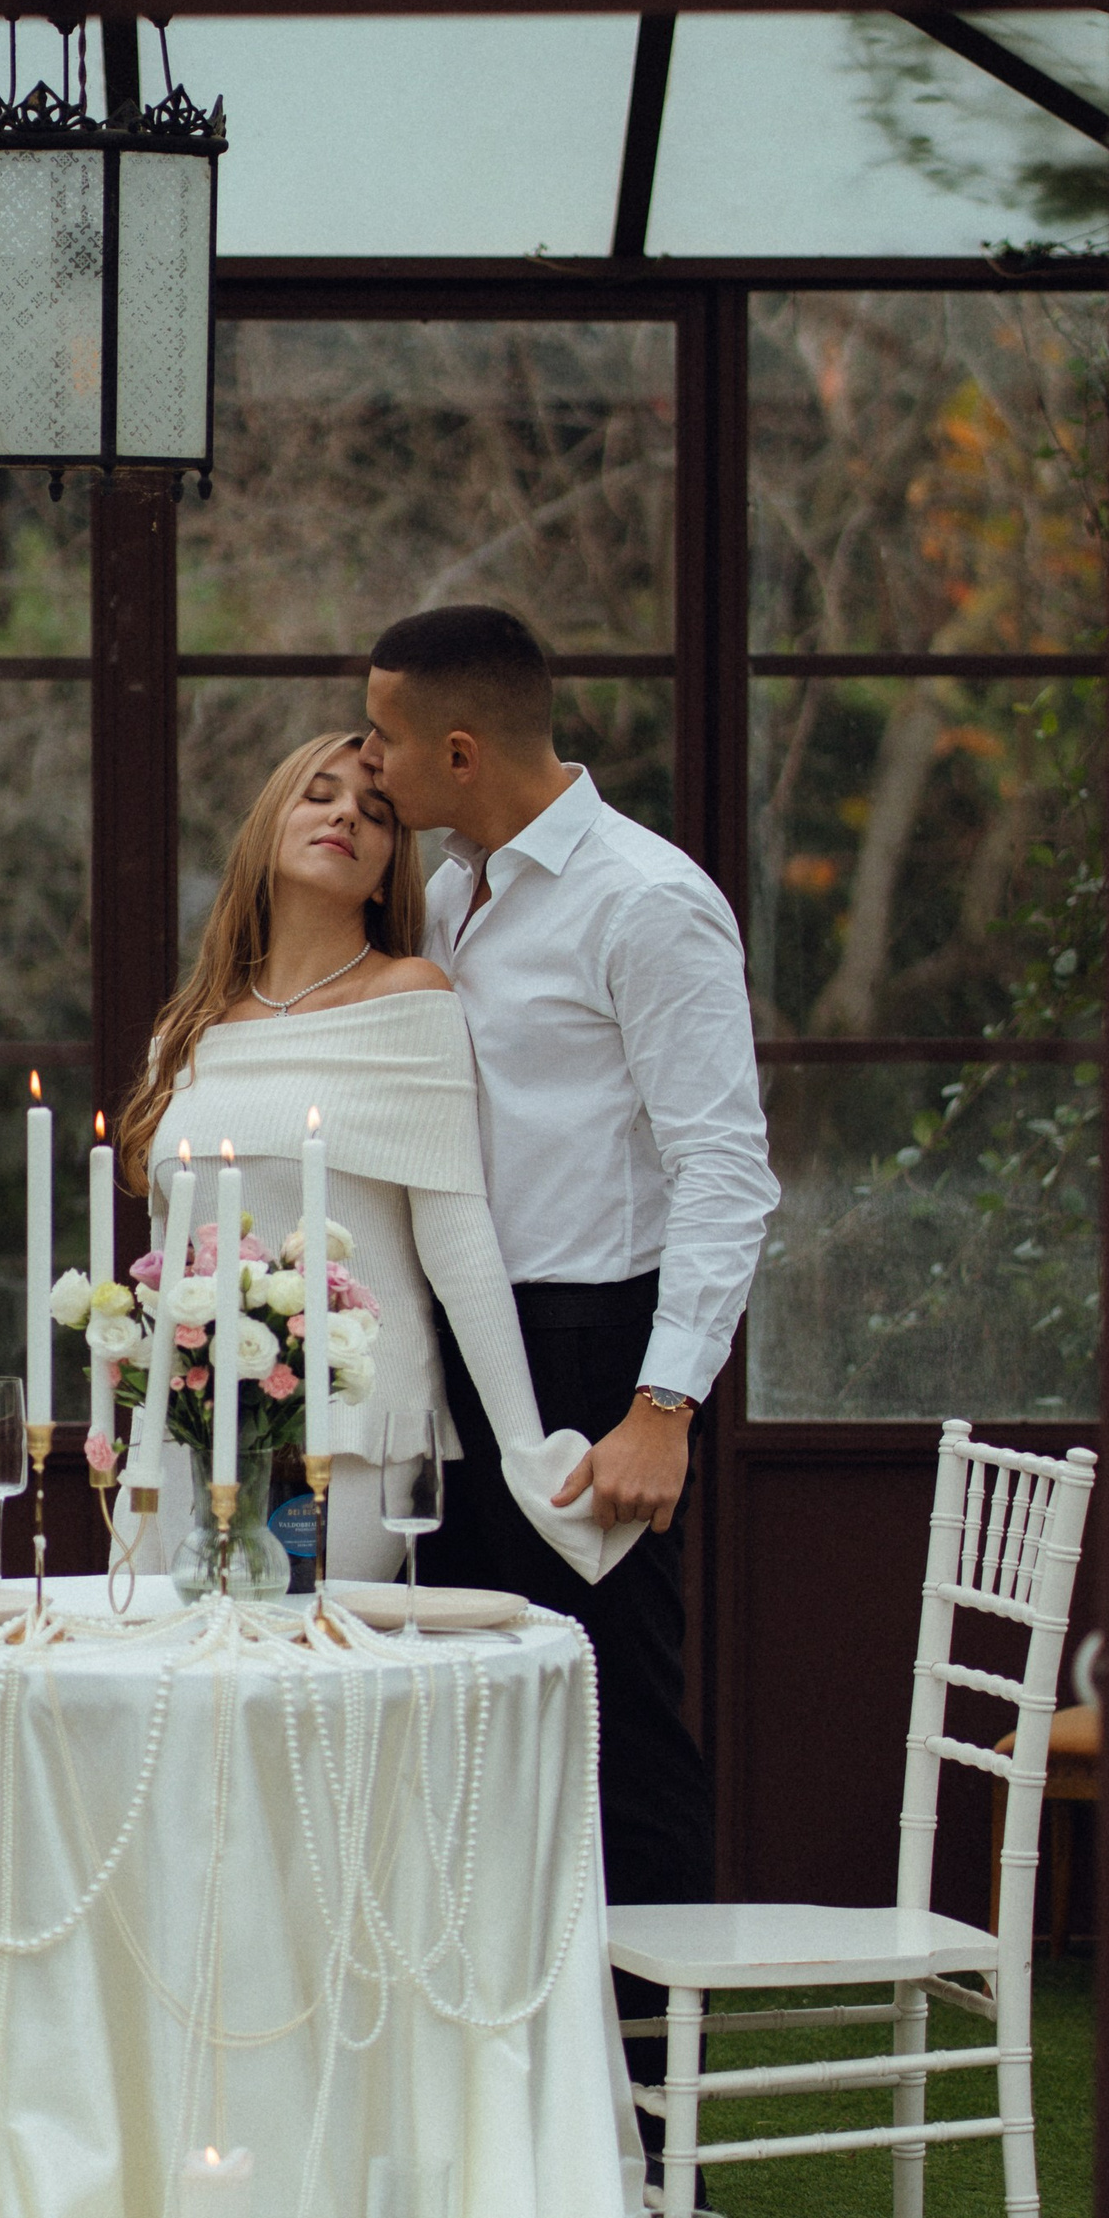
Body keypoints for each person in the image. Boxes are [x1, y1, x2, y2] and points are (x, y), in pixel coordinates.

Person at [359, 607, 778, 2002]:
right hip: (456, 1349)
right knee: (473, 1730)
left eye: (384, 735)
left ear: (461, 750)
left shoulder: (646, 900)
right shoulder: (442, 895)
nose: (367, 760)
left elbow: (727, 1171)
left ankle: (660, 2147)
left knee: (616, 1733)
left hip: (596, 1354)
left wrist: (665, 1406)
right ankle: (516, 2122)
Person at [113, 728, 638, 1589]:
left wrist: (523, 1447)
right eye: (318, 793)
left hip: (356, 1432)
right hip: (187, 1431)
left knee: (297, 1669)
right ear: (268, 824)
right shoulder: (186, 1031)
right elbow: (166, 1265)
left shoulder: (410, 998)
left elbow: (456, 1232)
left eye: (377, 811)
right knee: (178, 1679)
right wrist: (138, 1429)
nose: (345, 815)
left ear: (394, 859)